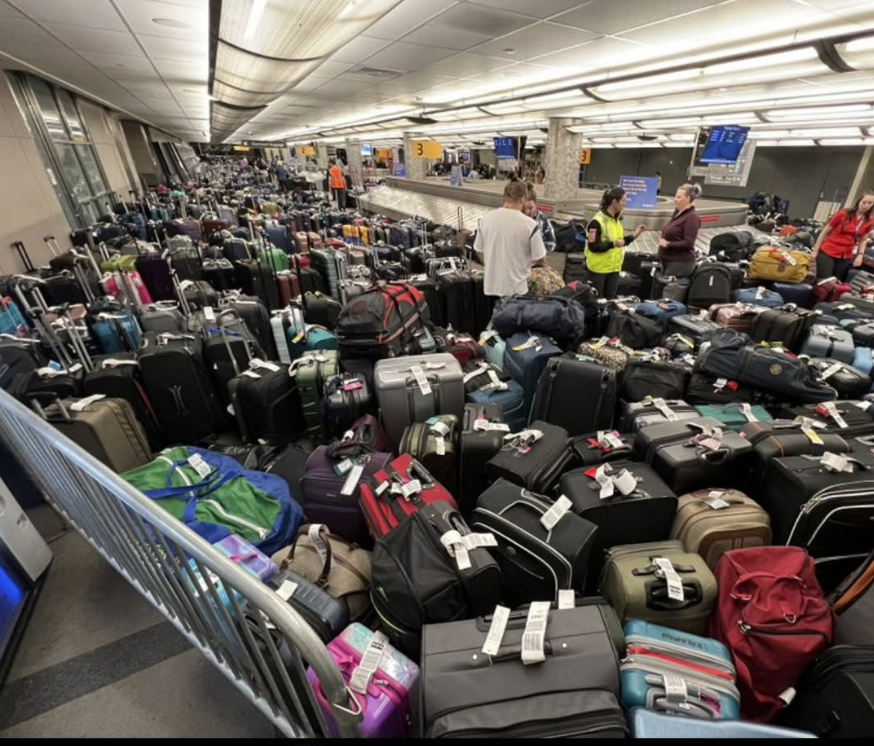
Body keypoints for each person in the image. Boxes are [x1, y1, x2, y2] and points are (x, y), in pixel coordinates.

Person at [474, 179, 547, 298]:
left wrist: (491, 265)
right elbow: (540, 258)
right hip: (517, 289)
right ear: (523, 199)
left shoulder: (485, 220)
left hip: (491, 287)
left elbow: (478, 250)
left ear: (504, 197)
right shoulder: (529, 225)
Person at [585, 187, 646, 299]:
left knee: (610, 300)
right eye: (623, 200)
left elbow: (619, 242)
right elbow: (593, 246)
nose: (625, 203)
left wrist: (634, 235)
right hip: (598, 270)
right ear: (614, 202)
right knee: (596, 301)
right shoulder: (596, 222)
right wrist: (612, 244)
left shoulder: (616, 220)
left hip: (614, 269)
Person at [812, 191, 874, 281]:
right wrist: (815, 251)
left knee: (837, 282)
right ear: (858, 202)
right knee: (825, 282)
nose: (866, 205)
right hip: (828, 252)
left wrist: (860, 255)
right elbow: (824, 232)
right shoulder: (843, 214)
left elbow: (863, 240)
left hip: (845, 256)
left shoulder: (869, 221)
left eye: (870, 203)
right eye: (864, 202)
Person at [658, 183, 702, 277]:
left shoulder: (692, 217)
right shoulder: (678, 213)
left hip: (680, 263)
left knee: (670, 290)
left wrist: (668, 244)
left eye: (678, 197)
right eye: (675, 196)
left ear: (688, 199)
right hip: (667, 261)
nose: (675, 200)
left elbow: (688, 243)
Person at [523, 184, 556, 253]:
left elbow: (551, 243)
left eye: (530, 208)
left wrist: (539, 251)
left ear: (536, 205)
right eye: (524, 208)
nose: (527, 211)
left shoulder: (542, 219)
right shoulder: (517, 217)